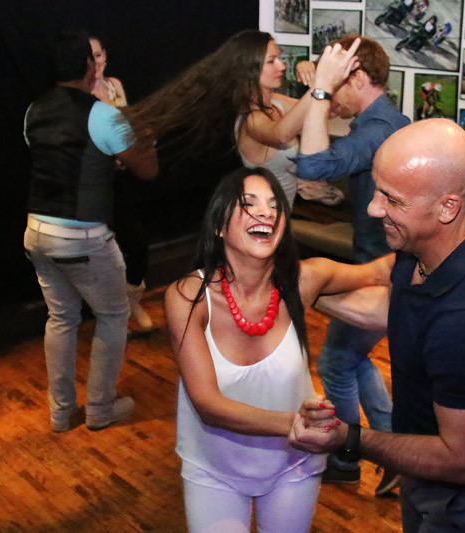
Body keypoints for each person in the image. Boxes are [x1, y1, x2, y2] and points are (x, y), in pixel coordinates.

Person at [289, 119, 465, 532]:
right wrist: (309, 283)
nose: (373, 208)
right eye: (377, 190)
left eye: (392, 199)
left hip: (464, 497)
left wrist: (347, 438)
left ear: (447, 207)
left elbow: (462, 461)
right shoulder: (431, 246)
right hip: (424, 470)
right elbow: (395, 302)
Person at [164, 166, 393, 532]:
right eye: (249, 203)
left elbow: (382, 271)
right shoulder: (189, 297)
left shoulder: (303, 281)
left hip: (293, 464)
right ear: (219, 225)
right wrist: (295, 423)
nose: (266, 212)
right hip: (214, 469)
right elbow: (207, 405)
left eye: (275, 205)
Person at [23, 31, 158, 432]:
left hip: (36, 232)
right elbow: (147, 170)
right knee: (114, 315)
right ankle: (100, 408)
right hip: (81, 238)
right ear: (87, 64)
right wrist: (145, 136)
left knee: (61, 318)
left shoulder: (33, 111)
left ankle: (61, 413)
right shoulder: (103, 115)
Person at [293, 35, 410, 494]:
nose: (331, 99)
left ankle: (346, 455)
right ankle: (394, 448)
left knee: (336, 363)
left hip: (382, 269)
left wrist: (322, 89)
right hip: (378, 263)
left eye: (338, 83)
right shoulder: (386, 121)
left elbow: (312, 165)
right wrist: (316, 80)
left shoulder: (379, 130)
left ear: (357, 78)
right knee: (351, 358)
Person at [125, 30, 318, 207]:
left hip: (282, 220)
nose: (282, 66)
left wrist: (313, 70)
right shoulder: (250, 119)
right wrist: (319, 86)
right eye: (271, 61)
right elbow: (282, 134)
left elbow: (326, 110)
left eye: (280, 58)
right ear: (250, 68)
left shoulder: (276, 103)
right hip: (263, 222)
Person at [88, 34, 154, 333]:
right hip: (95, 182)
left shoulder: (114, 85)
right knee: (104, 249)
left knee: (137, 242)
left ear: (105, 55)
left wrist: (143, 135)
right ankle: (112, 313)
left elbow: (127, 124)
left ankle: (131, 301)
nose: (96, 63)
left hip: (123, 176)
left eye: (99, 55)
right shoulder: (80, 94)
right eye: (90, 57)